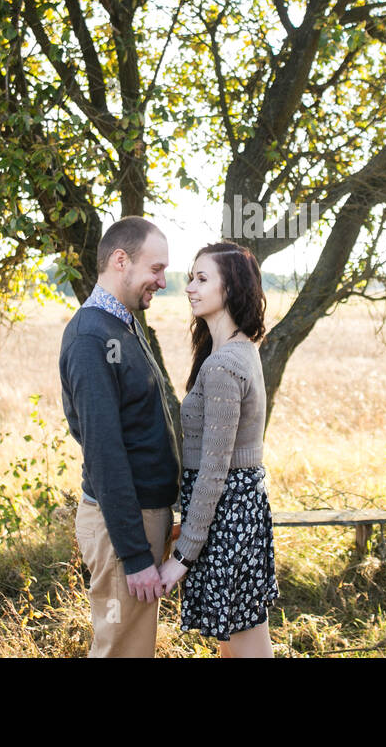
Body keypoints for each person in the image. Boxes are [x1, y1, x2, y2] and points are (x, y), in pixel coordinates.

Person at [60, 216, 182, 657]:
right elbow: (104, 453)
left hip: (140, 519)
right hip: (121, 527)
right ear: (120, 260)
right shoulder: (92, 335)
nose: (163, 282)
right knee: (121, 651)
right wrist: (133, 555)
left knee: (132, 648)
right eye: (156, 269)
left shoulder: (122, 325)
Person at [158, 241, 278, 658]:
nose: (189, 287)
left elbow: (214, 471)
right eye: (191, 277)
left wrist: (182, 557)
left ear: (230, 289)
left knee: (245, 643)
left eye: (202, 278)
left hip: (228, 516)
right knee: (236, 639)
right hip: (237, 513)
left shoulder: (225, 364)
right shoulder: (239, 350)